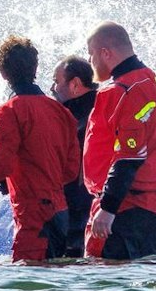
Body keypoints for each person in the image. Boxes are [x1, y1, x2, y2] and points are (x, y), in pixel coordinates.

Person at [0, 36, 80, 263]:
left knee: (27, 275)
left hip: (33, 216)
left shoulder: (7, 112)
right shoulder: (60, 112)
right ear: (35, 68)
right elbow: (71, 170)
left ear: (3, 73)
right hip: (60, 211)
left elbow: (0, 165)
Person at [81, 22, 156, 260]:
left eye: (91, 55)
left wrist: (108, 209)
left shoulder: (123, 89)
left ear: (106, 53)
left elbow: (129, 157)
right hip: (145, 208)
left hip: (124, 210)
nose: (90, 63)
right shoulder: (151, 80)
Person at [51, 54, 97, 250]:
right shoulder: (101, 103)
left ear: (75, 84)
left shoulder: (77, 118)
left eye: (56, 82)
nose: (53, 89)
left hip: (81, 212)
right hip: (96, 210)